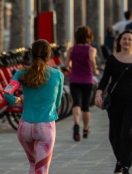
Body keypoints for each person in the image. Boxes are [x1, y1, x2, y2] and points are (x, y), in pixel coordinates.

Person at [3, 40, 64, 174]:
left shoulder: (21, 73)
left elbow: (7, 93)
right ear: (49, 55)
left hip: (25, 127)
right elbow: (58, 104)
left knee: (33, 164)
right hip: (46, 126)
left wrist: (16, 100)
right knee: (41, 168)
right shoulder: (58, 75)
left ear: (31, 54)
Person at [95, 30, 132, 174]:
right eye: (124, 39)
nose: (127, 42)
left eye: (130, 40)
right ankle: (120, 160)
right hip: (114, 101)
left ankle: (125, 166)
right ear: (119, 41)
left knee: (127, 133)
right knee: (114, 134)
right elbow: (105, 78)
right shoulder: (112, 58)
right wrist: (99, 93)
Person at [65, 25, 99, 141]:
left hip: (74, 79)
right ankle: (85, 128)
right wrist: (95, 70)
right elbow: (92, 60)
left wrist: (72, 66)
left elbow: (66, 65)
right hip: (87, 80)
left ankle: (76, 124)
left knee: (76, 103)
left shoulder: (71, 49)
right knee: (85, 106)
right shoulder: (91, 49)